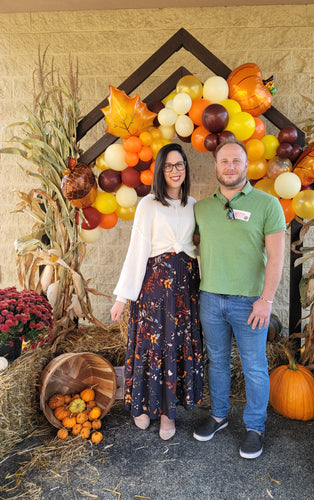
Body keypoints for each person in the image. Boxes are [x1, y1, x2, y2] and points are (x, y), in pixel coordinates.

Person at [193, 139, 286, 458]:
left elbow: (276, 258)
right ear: (215, 167)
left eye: (236, 161)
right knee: (216, 361)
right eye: (224, 161)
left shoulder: (268, 204)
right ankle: (218, 416)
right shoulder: (202, 208)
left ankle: (255, 427)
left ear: (247, 166)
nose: (230, 166)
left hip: (251, 304)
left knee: (255, 366)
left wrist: (267, 299)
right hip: (210, 300)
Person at [111, 143, 203, 441]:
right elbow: (137, 250)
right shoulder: (148, 204)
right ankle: (141, 407)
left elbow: (200, 248)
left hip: (184, 287)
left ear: (186, 169)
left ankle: (167, 414)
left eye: (180, 165)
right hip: (154, 287)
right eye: (169, 166)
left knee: (175, 350)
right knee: (152, 347)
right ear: (160, 171)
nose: (175, 171)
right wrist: (122, 297)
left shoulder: (193, 204)